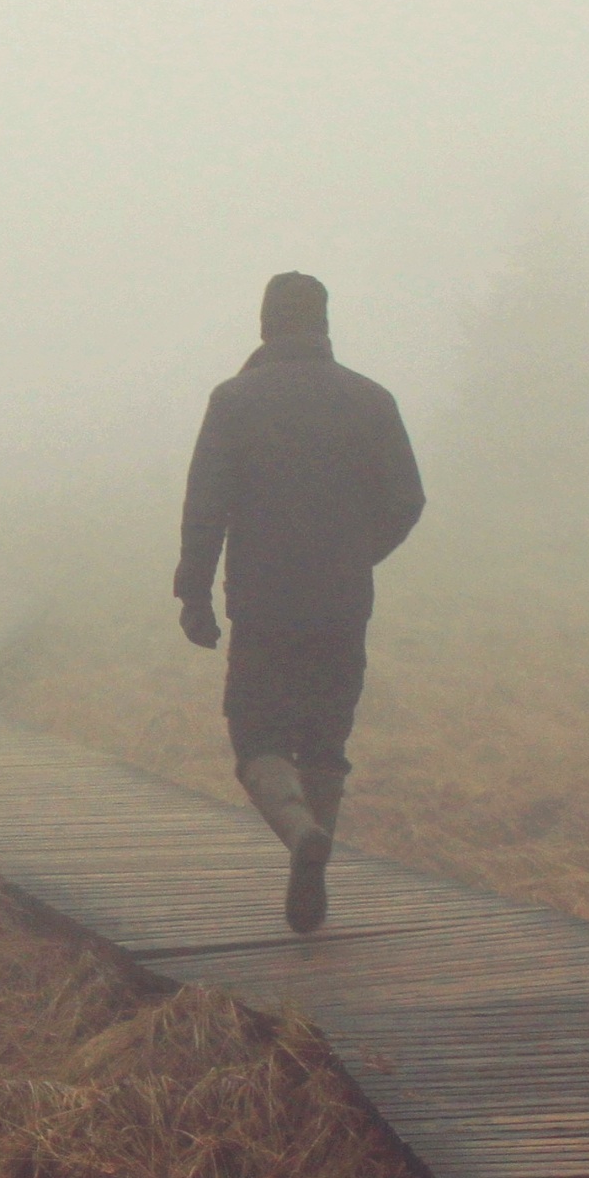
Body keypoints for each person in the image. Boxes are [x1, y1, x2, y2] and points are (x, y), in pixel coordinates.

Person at [175, 271, 425, 934]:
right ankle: (316, 843)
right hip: (343, 600)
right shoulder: (373, 399)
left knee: (255, 731)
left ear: (265, 324)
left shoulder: (234, 401)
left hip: (262, 599)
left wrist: (194, 593)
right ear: (324, 324)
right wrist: (355, 553)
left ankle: (297, 830)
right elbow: (408, 501)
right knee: (325, 737)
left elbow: (206, 508)